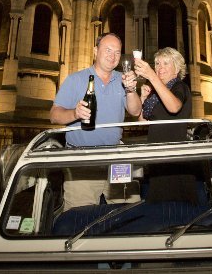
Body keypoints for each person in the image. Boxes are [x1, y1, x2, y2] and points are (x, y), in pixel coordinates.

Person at [49, 32, 141, 209]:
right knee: (79, 217)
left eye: (117, 52)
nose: (112, 56)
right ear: (95, 51)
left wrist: (131, 90)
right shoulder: (75, 79)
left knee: (129, 212)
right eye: (107, 50)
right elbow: (54, 115)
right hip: (82, 160)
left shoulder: (122, 80)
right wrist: (75, 114)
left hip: (115, 158)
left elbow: (136, 110)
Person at [134, 47, 197, 203]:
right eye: (157, 63)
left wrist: (152, 77)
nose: (159, 68)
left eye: (165, 63)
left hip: (174, 159)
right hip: (158, 158)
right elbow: (142, 122)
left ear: (176, 68)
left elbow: (174, 107)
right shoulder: (157, 94)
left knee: (175, 206)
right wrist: (143, 97)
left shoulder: (179, 87)